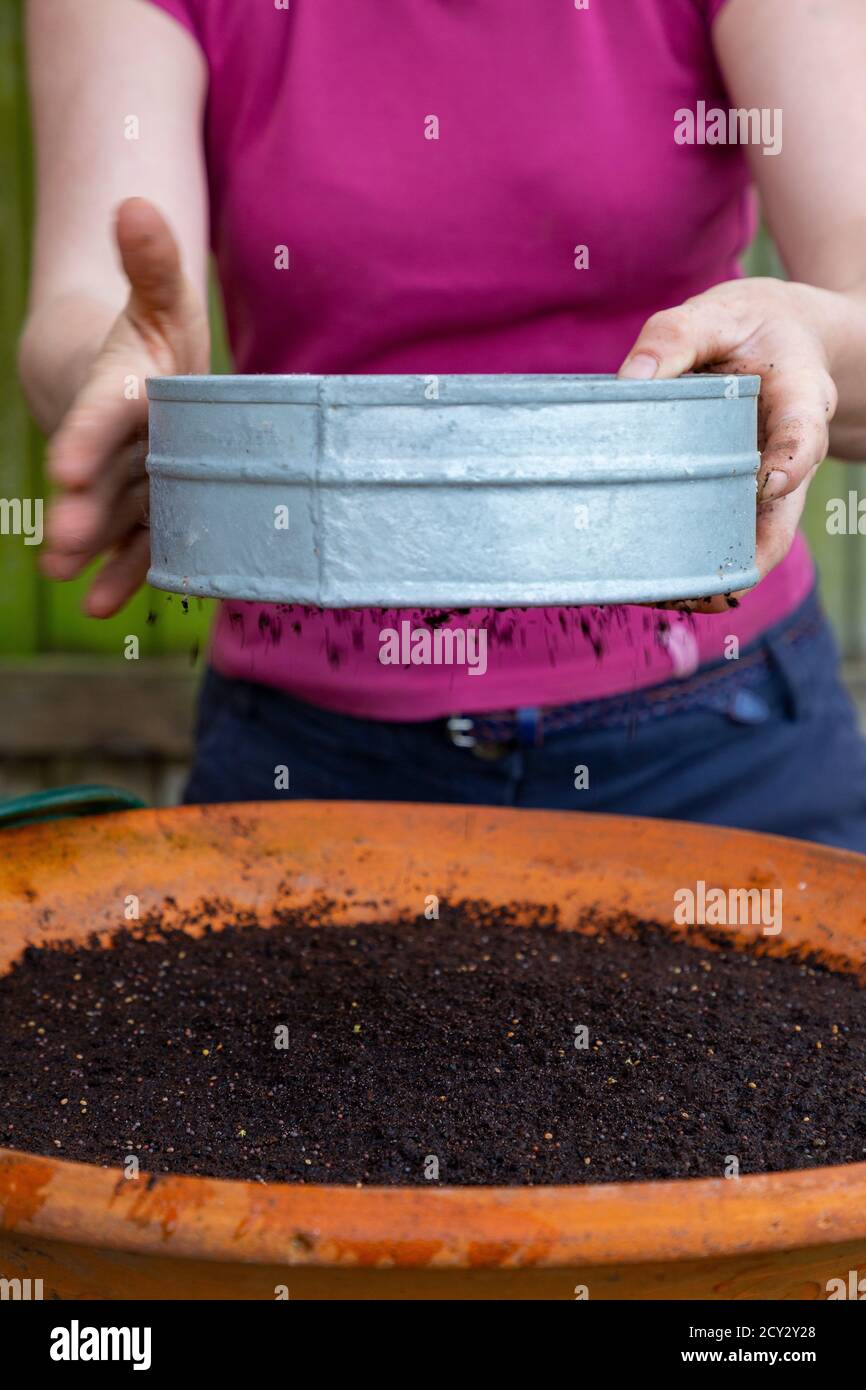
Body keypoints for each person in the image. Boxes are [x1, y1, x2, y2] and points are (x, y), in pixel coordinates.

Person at [20, 0, 866, 848]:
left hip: (720, 746)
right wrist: (124, 379)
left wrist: (812, 347)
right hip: (311, 758)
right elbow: (87, 294)